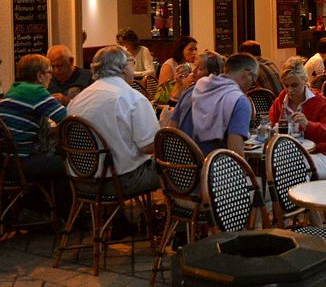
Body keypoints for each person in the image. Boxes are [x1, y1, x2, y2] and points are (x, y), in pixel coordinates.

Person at [68, 45, 161, 195]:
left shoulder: (78, 99)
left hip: (80, 180)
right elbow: (149, 146)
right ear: (123, 68)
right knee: (175, 168)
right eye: (131, 64)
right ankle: (176, 215)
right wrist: (165, 125)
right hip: (120, 181)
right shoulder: (132, 98)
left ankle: (115, 216)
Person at [269, 57, 326, 179]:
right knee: (275, 167)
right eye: (286, 85)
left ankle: (297, 197)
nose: (290, 90)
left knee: (295, 167)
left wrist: (308, 125)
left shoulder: (319, 102)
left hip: (318, 155)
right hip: (285, 155)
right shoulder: (280, 102)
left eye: (295, 85)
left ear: (305, 81)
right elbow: (271, 127)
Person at [0, 54, 66, 183]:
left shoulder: (14, 89)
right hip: (20, 163)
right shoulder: (36, 91)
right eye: (49, 72)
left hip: (5, 162)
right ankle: (63, 203)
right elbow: (67, 119)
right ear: (39, 75)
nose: (51, 76)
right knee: (63, 161)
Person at [187, 53, 257, 156]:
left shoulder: (190, 91)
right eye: (254, 79)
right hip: (212, 167)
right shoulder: (239, 101)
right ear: (247, 74)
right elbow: (235, 153)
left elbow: (172, 129)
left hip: (178, 168)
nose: (252, 84)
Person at [168, 50, 226, 134]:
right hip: (194, 145)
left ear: (213, 74)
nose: (194, 71)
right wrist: (179, 84)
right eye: (195, 66)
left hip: (184, 144)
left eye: (200, 68)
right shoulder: (189, 91)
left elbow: (172, 126)